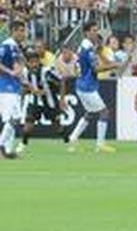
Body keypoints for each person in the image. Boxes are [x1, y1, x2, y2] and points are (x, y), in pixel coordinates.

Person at [67, 22, 119, 153]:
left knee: (89, 113)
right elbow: (96, 69)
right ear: (86, 32)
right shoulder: (87, 48)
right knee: (104, 112)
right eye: (93, 30)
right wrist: (113, 65)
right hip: (87, 86)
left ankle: (73, 138)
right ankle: (100, 144)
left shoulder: (87, 46)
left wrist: (109, 61)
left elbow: (97, 62)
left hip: (82, 84)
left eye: (97, 30)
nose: (96, 33)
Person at [21, 39, 65, 151]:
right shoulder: (25, 72)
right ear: (27, 63)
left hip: (49, 101)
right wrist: (25, 93)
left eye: (35, 62)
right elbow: (25, 86)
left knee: (57, 126)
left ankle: (67, 141)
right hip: (34, 101)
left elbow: (61, 80)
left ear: (39, 61)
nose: (34, 64)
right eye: (31, 62)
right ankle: (23, 144)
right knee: (28, 126)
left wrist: (61, 99)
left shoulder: (46, 71)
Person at [0, 23, 26, 159]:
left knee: (14, 119)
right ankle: (1, 147)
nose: (23, 33)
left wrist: (23, 81)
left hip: (13, 87)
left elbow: (17, 68)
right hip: (6, 88)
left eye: (24, 30)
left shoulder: (16, 47)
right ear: (13, 31)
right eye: (20, 31)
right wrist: (10, 72)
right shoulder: (7, 45)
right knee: (11, 118)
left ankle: (7, 150)